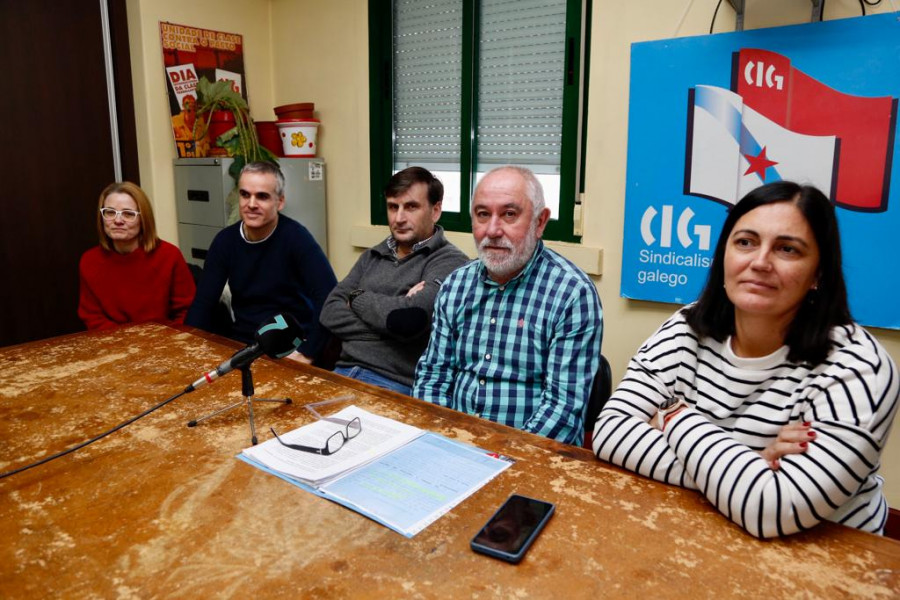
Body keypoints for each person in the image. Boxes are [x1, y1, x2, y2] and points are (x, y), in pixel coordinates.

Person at [593, 182, 899, 538]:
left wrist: (674, 418)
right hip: (705, 534)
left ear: (818, 273)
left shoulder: (859, 367)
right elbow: (610, 432)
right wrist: (753, 465)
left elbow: (773, 510)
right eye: (746, 242)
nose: (760, 262)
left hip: (829, 562)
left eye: (787, 249)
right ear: (724, 254)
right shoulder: (686, 327)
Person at [413, 166, 603, 445]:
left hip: (533, 458)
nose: (492, 230)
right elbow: (433, 377)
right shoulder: (455, 285)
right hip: (451, 447)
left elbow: (561, 412)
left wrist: (496, 458)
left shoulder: (572, 294)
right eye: (482, 214)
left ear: (540, 222)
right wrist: (442, 441)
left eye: (509, 214)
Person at [319, 167, 469, 394]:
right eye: (393, 207)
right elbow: (329, 312)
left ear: (435, 210)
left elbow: (409, 321)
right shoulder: (372, 256)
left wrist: (357, 297)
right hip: (340, 374)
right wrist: (391, 330)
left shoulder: (450, 262)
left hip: (394, 384)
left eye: (411, 207)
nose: (399, 218)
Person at [185, 161, 336, 364]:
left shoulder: (297, 238)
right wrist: (187, 347)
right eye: (245, 194)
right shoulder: (225, 241)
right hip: (245, 343)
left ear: (280, 202)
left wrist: (307, 353)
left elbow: (329, 297)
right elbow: (203, 303)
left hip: (292, 345)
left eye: (262, 196)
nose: (252, 204)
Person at [79, 182, 196, 330]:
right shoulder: (89, 261)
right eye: (110, 212)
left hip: (163, 342)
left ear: (143, 219)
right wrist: (126, 341)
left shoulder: (169, 255)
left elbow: (188, 311)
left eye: (128, 214)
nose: (118, 220)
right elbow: (92, 316)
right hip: (112, 342)